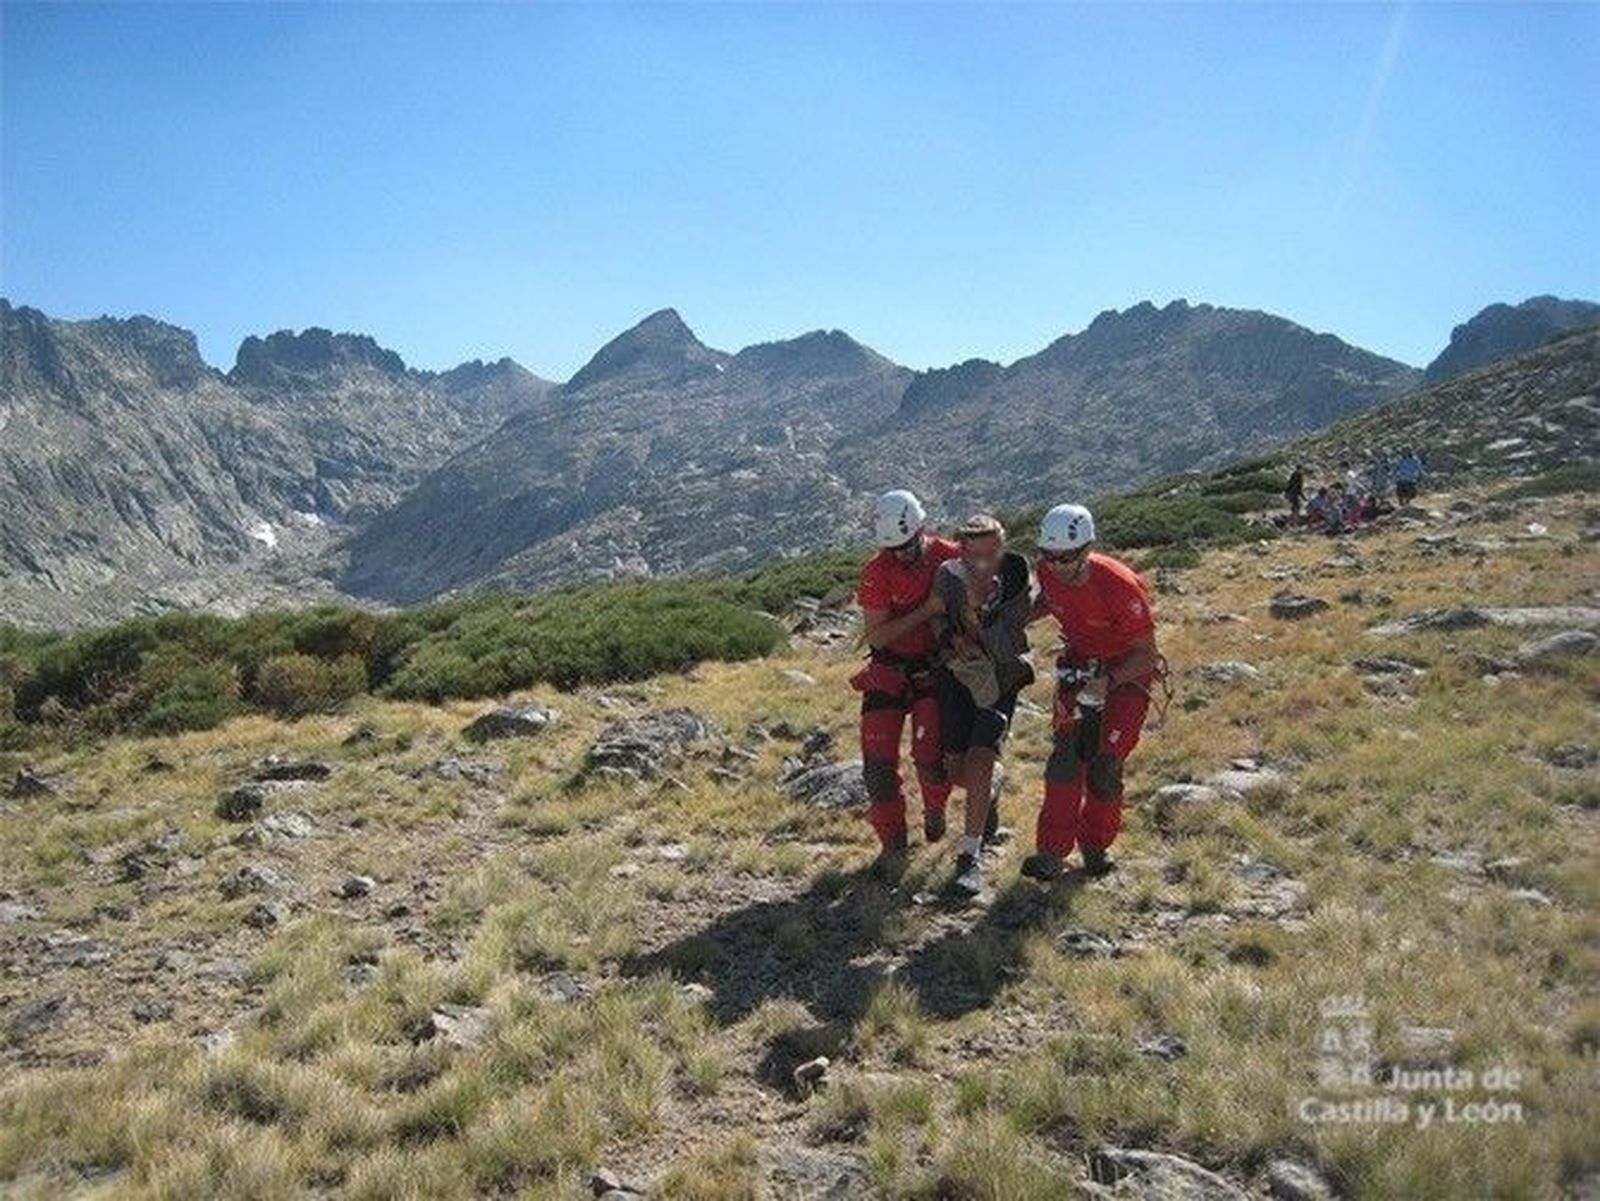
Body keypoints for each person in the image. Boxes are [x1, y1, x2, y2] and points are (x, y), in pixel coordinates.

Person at [1022, 503, 1163, 881]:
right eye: (1050, 557)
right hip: (1079, 671)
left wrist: (1110, 681)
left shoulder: (1119, 586)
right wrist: (1017, 616)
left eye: (1067, 558)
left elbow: (1145, 654)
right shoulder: (1049, 571)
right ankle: (1051, 853)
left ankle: (1096, 847)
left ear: (1087, 548)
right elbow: (1049, 600)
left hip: (1124, 676)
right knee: (1065, 761)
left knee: (1105, 766)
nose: (1058, 566)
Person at [925, 514, 1035, 897]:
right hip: (958, 674)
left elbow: (1010, 639)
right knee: (956, 768)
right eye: (976, 556)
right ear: (962, 550)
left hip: (1002, 676)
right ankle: (991, 785)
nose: (985, 563)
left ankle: (970, 855)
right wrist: (950, 640)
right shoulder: (947, 574)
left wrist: (979, 611)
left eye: (993, 553)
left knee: (980, 755)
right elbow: (937, 618)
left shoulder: (1017, 574)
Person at [851, 489, 959, 868]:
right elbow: (878, 636)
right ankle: (893, 847)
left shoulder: (949, 556)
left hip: (934, 668)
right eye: (892, 549)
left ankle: (935, 811)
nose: (900, 555)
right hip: (889, 670)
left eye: (907, 546)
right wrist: (926, 610)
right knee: (877, 769)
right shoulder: (876, 571)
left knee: (930, 760)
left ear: (921, 530)